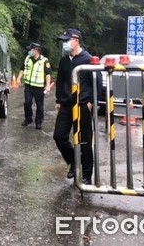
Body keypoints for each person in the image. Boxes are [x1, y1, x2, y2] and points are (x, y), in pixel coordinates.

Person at [53, 29, 100, 185]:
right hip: (66, 104)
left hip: (82, 104)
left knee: (84, 140)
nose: (65, 44)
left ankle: (87, 174)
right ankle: (73, 161)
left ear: (76, 40)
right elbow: (60, 81)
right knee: (59, 136)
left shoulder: (88, 59)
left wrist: (92, 102)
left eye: (67, 40)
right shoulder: (64, 60)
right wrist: (58, 100)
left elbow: (97, 82)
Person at [16, 42, 53, 129]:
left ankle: (38, 122)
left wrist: (47, 85)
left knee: (39, 105)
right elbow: (22, 68)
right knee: (27, 103)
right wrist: (18, 78)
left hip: (39, 87)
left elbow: (48, 74)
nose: (29, 51)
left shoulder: (44, 61)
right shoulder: (28, 58)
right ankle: (28, 119)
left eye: (31, 49)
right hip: (28, 86)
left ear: (36, 50)